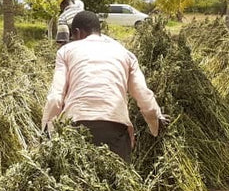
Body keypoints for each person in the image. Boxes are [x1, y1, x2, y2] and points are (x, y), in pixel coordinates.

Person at [42, 10, 169, 162]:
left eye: (74, 37)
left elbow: (56, 97)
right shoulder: (125, 54)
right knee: (119, 181)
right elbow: (143, 94)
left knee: (77, 180)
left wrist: (46, 131)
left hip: (76, 126)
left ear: (77, 32)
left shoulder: (66, 51)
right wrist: (156, 121)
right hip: (116, 127)